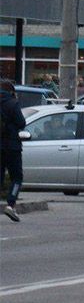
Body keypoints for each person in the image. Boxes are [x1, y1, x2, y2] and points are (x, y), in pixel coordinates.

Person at [1, 79, 27, 222]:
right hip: (12, 146)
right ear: (11, 91)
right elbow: (21, 123)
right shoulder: (13, 103)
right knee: (17, 177)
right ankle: (11, 204)